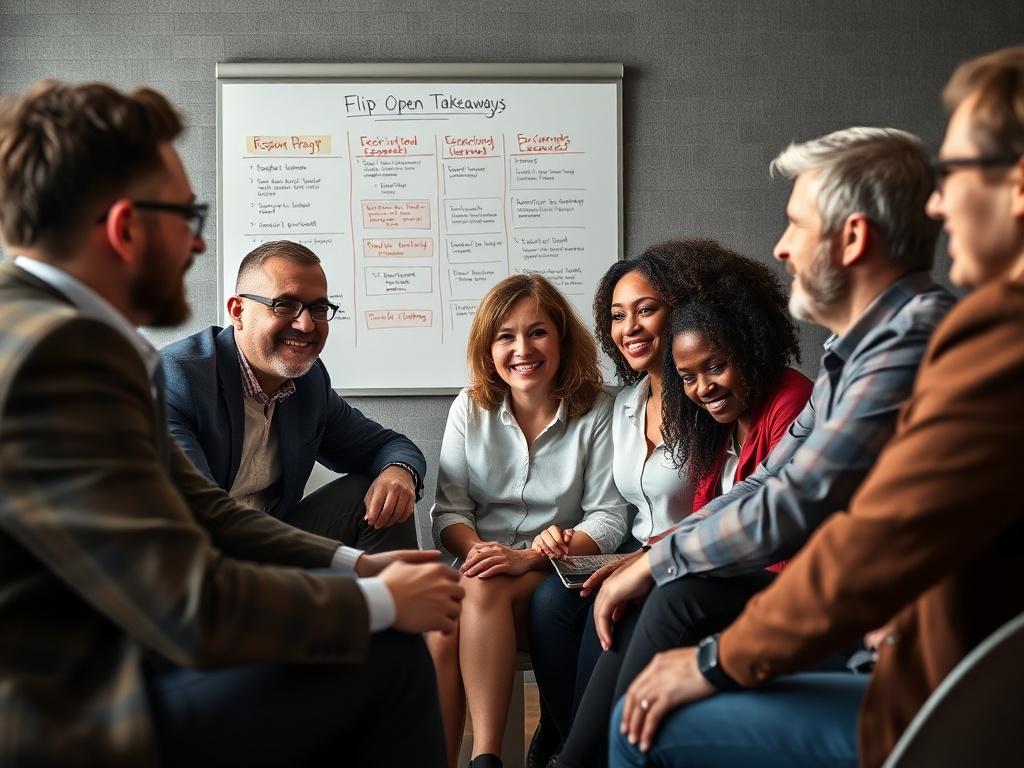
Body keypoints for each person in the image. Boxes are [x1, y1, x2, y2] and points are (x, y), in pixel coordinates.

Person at [0, 80, 463, 767]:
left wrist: (361, 564)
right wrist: (379, 602)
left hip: (121, 649)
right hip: (72, 709)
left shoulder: (46, 329)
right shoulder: (67, 354)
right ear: (127, 227)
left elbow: (205, 509)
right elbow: (191, 603)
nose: (195, 242)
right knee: (386, 656)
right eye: (187, 215)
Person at [609, 45, 1024, 768]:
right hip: (914, 655)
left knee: (640, 724)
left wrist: (713, 661)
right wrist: (659, 558)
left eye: (954, 174)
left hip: (951, 700)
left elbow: (860, 530)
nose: (937, 201)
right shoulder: (859, 352)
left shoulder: (973, 333)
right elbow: (783, 485)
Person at [554, 248, 812, 768]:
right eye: (689, 377)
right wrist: (646, 560)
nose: (703, 388)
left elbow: (776, 516)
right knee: (624, 599)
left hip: (783, 580)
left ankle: (591, 757)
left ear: (748, 346)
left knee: (668, 597)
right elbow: (711, 510)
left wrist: (654, 562)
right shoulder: (714, 420)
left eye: (715, 367)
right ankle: (577, 756)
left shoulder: (790, 401)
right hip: (735, 573)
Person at [428, 273, 629, 768]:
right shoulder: (468, 408)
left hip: (555, 572)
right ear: (488, 347)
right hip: (483, 566)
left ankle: (486, 756)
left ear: (561, 337)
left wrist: (526, 557)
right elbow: (448, 513)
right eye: (506, 336)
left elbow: (608, 517)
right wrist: (479, 552)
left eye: (537, 331)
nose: (523, 348)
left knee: (481, 589)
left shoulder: (599, 410)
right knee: (437, 627)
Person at [161, 238, 425, 552]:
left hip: (266, 549)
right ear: (237, 311)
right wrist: (347, 563)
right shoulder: (176, 378)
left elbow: (389, 445)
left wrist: (400, 472)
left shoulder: (308, 384)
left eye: (319, 308)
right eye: (284, 305)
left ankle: (399, 600)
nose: (305, 324)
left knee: (383, 495)